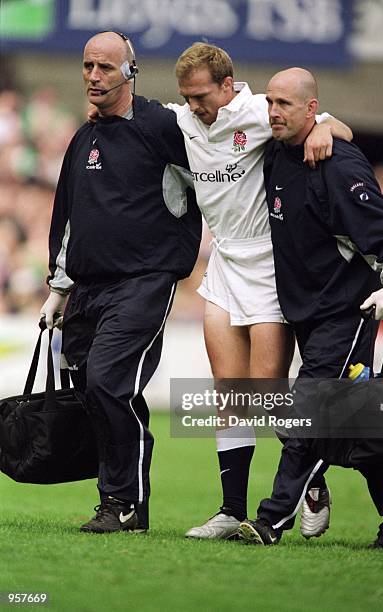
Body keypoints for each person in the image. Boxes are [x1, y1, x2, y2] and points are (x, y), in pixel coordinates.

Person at [167, 43, 353, 540]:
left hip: (270, 265)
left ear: (228, 86)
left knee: (267, 395)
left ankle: (312, 480)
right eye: (186, 96)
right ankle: (231, 511)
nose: (193, 105)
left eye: (201, 95)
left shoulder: (258, 110)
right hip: (225, 261)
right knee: (230, 395)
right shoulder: (183, 121)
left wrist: (327, 129)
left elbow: (336, 125)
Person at [238, 67, 383, 548]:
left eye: (285, 105)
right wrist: (327, 123)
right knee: (352, 420)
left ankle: (271, 520)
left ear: (310, 108)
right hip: (304, 312)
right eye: (270, 103)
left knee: (307, 415)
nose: (273, 112)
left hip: (345, 313)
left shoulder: (339, 166)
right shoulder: (278, 148)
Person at [40, 31, 201, 534]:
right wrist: (58, 289)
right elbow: (68, 219)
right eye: (88, 65)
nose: (93, 76)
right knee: (97, 392)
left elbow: (221, 144)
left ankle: (122, 502)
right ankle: (125, 505)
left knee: (109, 381)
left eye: (106, 67)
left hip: (144, 281)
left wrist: (325, 122)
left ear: (130, 71)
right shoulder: (83, 137)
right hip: (86, 288)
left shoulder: (163, 125)